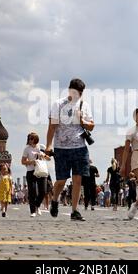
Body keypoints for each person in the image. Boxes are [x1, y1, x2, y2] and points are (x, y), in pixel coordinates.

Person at [46, 78, 95, 221]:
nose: (78, 95)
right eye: (75, 92)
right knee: (61, 180)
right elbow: (52, 127)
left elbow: (91, 125)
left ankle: (75, 211)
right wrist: (48, 145)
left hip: (80, 148)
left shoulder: (83, 105)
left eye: (80, 92)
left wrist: (82, 121)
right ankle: (55, 200)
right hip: (61, 148)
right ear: (69, 90)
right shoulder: (58, 104)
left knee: (77, 180)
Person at [21, 132, 51, 217]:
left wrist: (43, 156)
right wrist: (32, 161)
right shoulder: (27, 149)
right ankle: (33, 211)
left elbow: (49, 158)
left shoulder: (40, 147)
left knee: (43, 191)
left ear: (35, 139)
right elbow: (23, 161)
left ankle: (37, 205)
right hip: (31, 171)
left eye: (31, 138)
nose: (30, 140)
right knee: (32, 191)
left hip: (41, 171)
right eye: (29, 138)